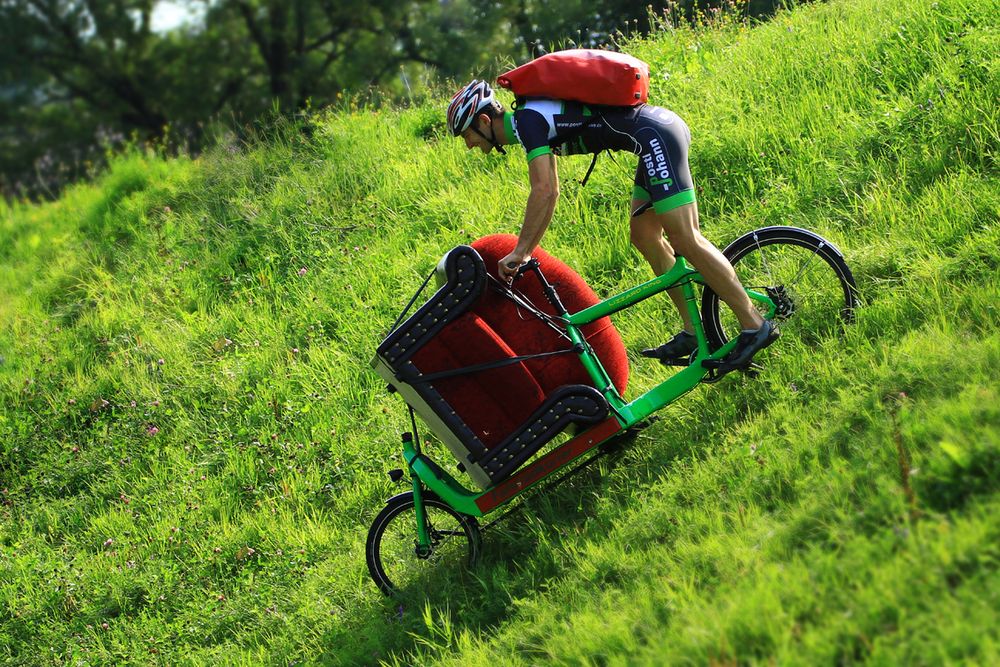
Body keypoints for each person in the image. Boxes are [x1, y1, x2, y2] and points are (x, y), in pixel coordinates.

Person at [446, 79, 778, 369]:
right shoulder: (529, 121)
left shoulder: (528, 122)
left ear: (485, 120)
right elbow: (550, 192)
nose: (470, 145)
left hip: (655, 136)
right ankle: (696, 331)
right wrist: (524, 250)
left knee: (685, 238)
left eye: (467, 135)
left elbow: (544, 190)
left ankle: (753, 324)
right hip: (653, 136)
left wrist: (520, 251)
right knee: (645, 236)